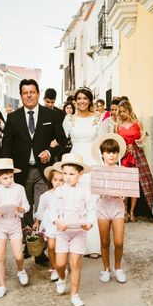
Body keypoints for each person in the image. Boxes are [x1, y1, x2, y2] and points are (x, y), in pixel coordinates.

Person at [1, 79, 67, 233]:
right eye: (25, 93)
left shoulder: (51, 115)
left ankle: (40, 245)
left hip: (42, 171)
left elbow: (63, 141)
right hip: (21, 171)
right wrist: (6, 171)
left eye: (32, 92)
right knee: (25, 208)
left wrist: (50, 152)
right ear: (21, 96)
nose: (29, 95)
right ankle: (28, 241)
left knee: (43, 206)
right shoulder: (13, 118)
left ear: (38, 94)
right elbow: (6, 146)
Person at [62, 88, 102, 256]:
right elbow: (62, 139)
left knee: (92, 201)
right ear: (75, 101)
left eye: (85, 98)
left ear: (90, 101)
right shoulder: (69, 119)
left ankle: (92, 246)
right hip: (75, 161)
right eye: (79, 98)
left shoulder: (98, 119)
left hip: (93, 161)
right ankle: (75, 243)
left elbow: (101, 142)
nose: (82, 101)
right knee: (75, 200)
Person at [52, 153, 95, 306]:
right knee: (60, 263)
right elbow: (52, 211)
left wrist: (89, 223)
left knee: (75, 262)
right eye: (65, 173)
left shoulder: (85, 191)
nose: (67, 177)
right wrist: (57, 222)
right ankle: (62, 278)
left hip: (78, 231)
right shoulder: (59, 191)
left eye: (71, 174)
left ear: (80, 174)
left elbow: (91, 210)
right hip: (62, 231)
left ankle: (75, 294)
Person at [0, 158, 30, 298]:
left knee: (18, 255)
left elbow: (27, 205)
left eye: (11, 176)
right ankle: (1, 285)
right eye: (5, 178)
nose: (9, 180)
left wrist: (21, 208)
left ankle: (21, 269)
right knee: (1, 256)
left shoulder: (19, 188)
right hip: (1, 225)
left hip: (15, 224)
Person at [92, 134, 128, 284]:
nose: (111, 155)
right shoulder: (98, 170)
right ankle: (106, 269)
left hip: (118, 208)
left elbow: (127, 192)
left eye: (114, 152)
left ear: (118, 154)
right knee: (105, 241)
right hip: (103, 208)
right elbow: (95, 190)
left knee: (119, 241)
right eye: (108, 152)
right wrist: (105, 191)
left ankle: (118, 268)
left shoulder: (123, 170)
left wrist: (121, 194)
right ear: (102, 154)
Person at [116, 99, 153, 222]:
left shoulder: (138, 123)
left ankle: (132, 212)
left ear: (129, 110)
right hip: (123, 156)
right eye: (120, 112)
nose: (122, 114)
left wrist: (141, 140)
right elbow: (115, 142)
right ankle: (124, 211)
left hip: (137, 154)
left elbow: (142, 139)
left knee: (134, 185)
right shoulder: (117, 125)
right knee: (124, 185)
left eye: (124, 111)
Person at [33, 166, 65, 281]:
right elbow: (40, 211)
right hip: (49, 224)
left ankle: (62, 266)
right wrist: (37, 222)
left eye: (61, 180)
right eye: (55, 180)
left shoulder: (66, 195)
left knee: (61, 247)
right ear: (51, 180)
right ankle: (54, 268)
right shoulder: (45, 196)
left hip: (62, 223)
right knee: (51, 247)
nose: (58, 183)